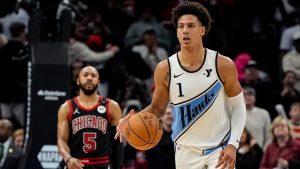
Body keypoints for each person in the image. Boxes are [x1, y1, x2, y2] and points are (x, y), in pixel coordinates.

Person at [115, 1, 246, 169]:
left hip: (219, 149)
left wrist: (233, 144)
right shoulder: (165, 68)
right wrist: (133, 121)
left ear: (202, 30)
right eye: (181, 26)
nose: (185, 30)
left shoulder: (222, 64)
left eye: (191, 26)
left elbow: (238, 107)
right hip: (185, 152)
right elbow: (157, 109)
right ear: (176, 31)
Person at [57, 66, 122, 169]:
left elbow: (118, 143)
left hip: (102, 164)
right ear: (78, 81)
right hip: (76, 164)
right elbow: (61, 140)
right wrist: (68, 158)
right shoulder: (66, 107)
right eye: (85, 75)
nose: (89, 78)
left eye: (93, 75)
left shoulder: (112, 106)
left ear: (99, 82)